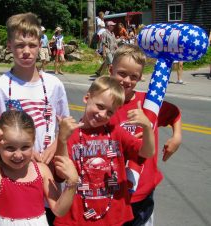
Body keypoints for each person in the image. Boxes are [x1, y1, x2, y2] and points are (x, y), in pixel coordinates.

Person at [0, 12, 70, 225]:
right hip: (16, 173)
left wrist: (57, 143)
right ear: (10, 45)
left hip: (49, 171)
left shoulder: (54, 85)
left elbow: (65, 125)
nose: (26, 51)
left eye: (32, 45)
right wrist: (24, 154)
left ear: (40, 44)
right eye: (20, 45)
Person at [54, 76, 155, 226]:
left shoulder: (116, 132)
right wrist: (62, 140)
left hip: (113, 216)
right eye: (100, 106)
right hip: (77, 218)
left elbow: (147, 153)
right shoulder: (71, 134)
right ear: (87, 98)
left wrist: (147, 128)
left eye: (109, 112)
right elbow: (61, 174)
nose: (102, 114)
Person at [0, 110, 79, 226]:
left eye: (25, 147)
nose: (18, 155)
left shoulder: (42, 170)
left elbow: (58, 210)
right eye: (10, 148)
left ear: (33, 141)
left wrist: (72, 183)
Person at [109, 44, 182, 226]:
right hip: (114, 190)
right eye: (122, 73)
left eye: (134, 77)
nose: (127, 80)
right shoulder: (103, 105)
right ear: (111, 70)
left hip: (143, 191)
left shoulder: (148, 102)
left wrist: (177, 137)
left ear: (140, 78)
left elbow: (174, 114)